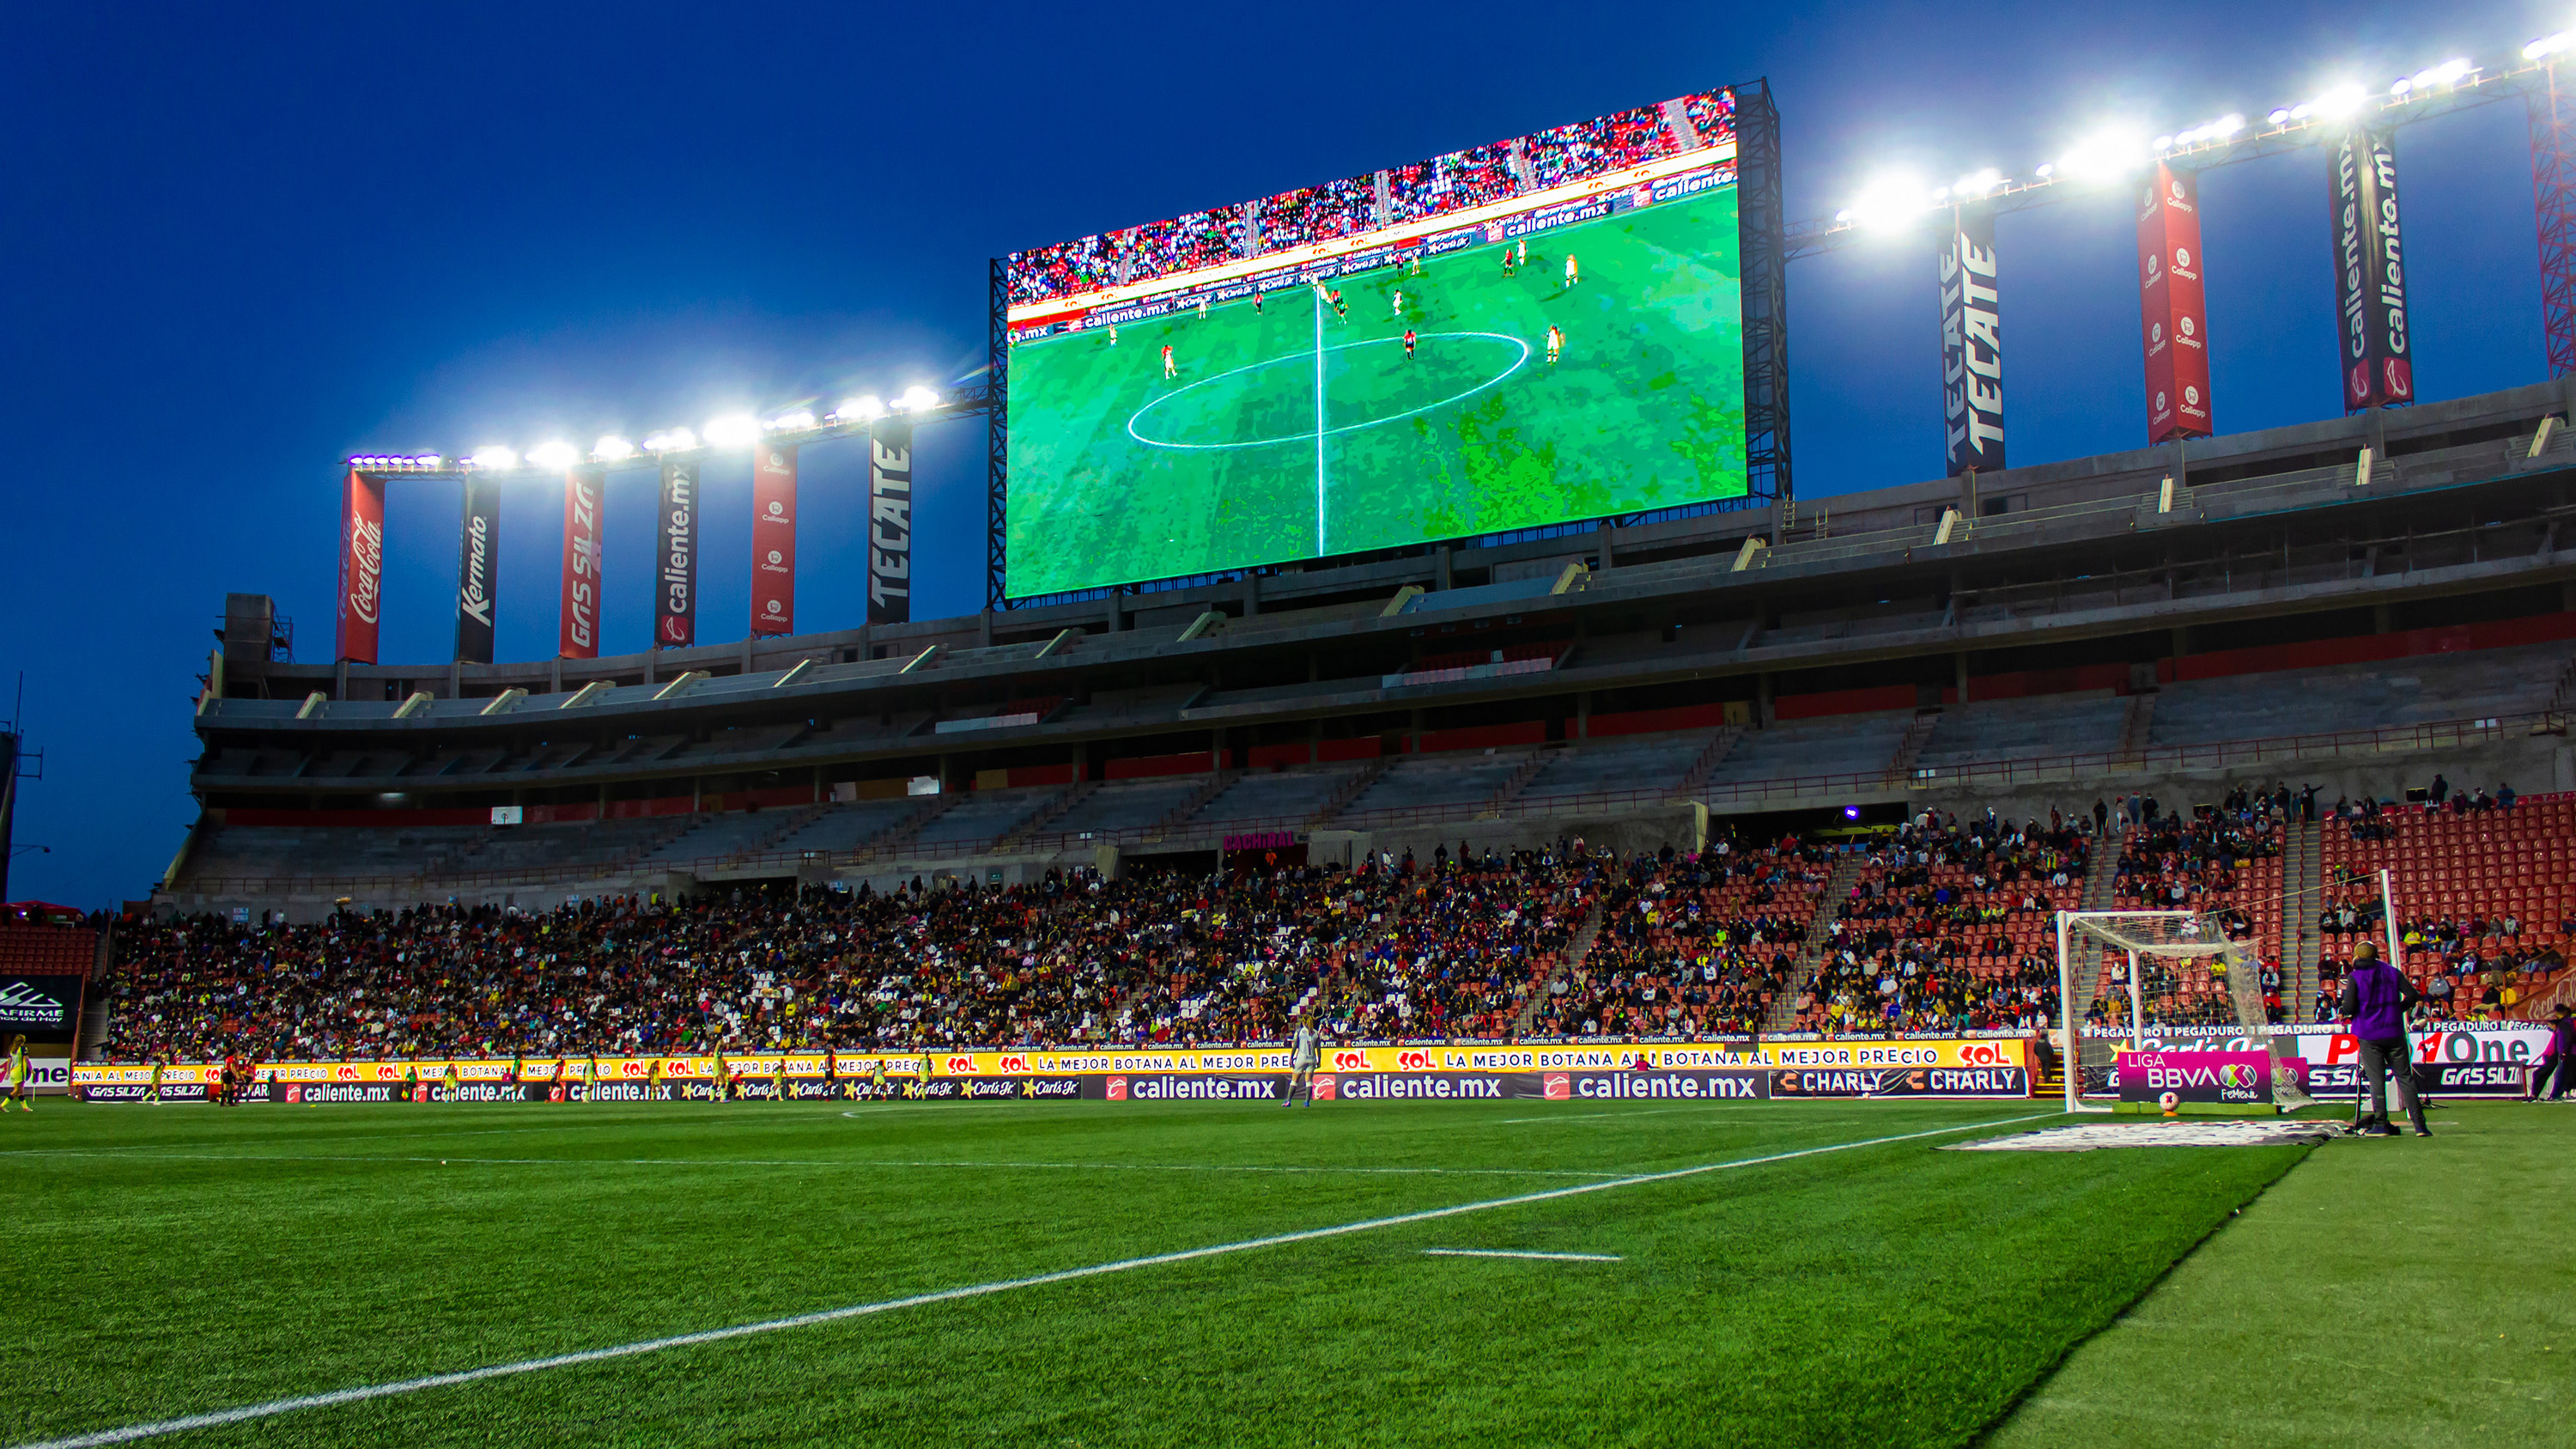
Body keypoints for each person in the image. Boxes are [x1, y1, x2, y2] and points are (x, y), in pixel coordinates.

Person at [2337, 941, 2429, 1136]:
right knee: (2405, 1078)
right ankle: (2420, 1125)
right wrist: (2397, 1010)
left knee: (2376, 1079)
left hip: (2369, 1034)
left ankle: (2381, 1124)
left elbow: (2350, 1007)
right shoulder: (2392, 971)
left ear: (2357, 957)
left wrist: (2345, 1011)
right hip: (2394, 1031)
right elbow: (2413, 995)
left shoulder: (2355, 977)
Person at [2526, 1004, 2573, 1101]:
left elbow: (2560, 1044)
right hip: (2555, 1055)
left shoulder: (2561, 1029)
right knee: (2558, 1074)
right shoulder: (2562, 1028)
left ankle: (2545, 1095)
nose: (2548, 1026)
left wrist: (2562, 1052)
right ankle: (2553, 1095)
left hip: (2553, 1056)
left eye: (2550, 1024)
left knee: (2544, 1074)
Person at [1286, 1018, 1322, 1105]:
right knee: (1309, 1081)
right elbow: (1318, 1048)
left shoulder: (1299, 1031)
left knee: (1294, 1080)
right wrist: (1319, 1060)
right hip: (1312, 1059)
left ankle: (1288, 1101)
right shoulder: (1316, 1033)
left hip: (1301, 1058)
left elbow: (1295, 1045)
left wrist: (1291, 1057)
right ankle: (1307, 1102)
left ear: (1303, 1022)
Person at [3, 1035, 30, 1114]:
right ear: (23, 1041)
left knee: (20, 1091)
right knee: (16, 1091)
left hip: (13, 1072)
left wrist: (8, 1072)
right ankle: (2, 1105)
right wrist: (31, 1070)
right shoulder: (23, 1049)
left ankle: (25, 1107)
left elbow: (9, 1062)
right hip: (19, 1072)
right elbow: (27, 1060)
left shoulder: (12, 1049)